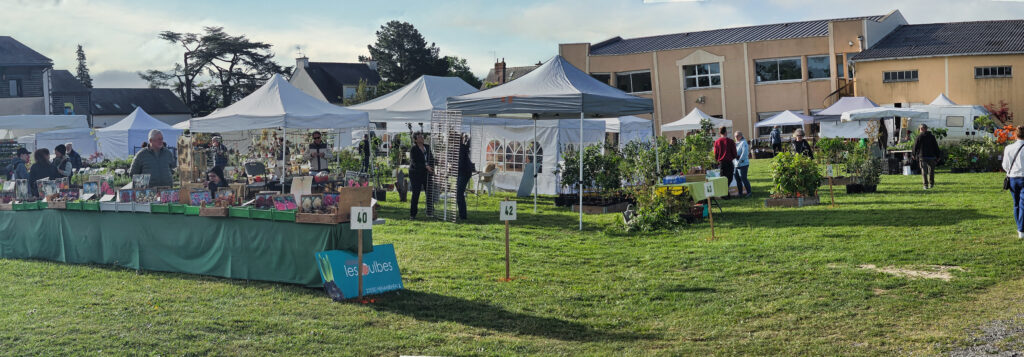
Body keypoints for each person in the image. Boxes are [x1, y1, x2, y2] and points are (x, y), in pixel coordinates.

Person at [1002, 126, 1024, 238]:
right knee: (1023, 204)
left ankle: (1020, 229)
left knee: (1016, 204)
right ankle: (1021, 229)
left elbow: (1005, 165)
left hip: (1013, 178)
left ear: (1015, 135)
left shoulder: (1008, 148)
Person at [409, 132, 434, 219]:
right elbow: (414, 163)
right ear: (415, 139)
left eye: (422, 137)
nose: (422, 138)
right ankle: (413, 214)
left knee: (429, 193)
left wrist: (434, 164)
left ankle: (430, 212)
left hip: (426, 173)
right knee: (416, 194)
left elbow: (431, 158)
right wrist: (425, 166)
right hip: (416, 174)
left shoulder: (427, 147)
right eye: (419, 137)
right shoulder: (413, 149)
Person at [913, 123, 941, 190]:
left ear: (922, 129)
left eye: (919, 129)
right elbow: (936, 147)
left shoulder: (919, 136)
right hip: (932, 156)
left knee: (924, 172)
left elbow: (915, 146)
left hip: (923, 156)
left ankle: (925, 185)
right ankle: (931, 184)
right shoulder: (932, 136)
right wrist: (938, 155)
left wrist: (913, 154)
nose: (919, 130)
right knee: (931, 171)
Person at [457, 133, 476, 221]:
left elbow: (460, 163)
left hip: (464, 172)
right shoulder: (460, 148)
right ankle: (462, 214)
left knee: (459, 193)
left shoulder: (460, 148)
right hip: (463, 172)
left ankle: (463, 215)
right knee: (459, 193)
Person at [712, 126, 737, 195]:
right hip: (729, 162)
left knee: (723, 178)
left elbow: (715, 153)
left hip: (721, 162)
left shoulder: (717, 142)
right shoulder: (731, 141)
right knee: (730, 178)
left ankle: (725, 193)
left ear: (720, 133)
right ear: (726, 132)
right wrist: (733, 156)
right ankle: (725, 193)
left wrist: (717, 159)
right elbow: (734, 153)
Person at [733, 131, 752, 198]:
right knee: (737, 179)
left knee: (743, 178)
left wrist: (739, 161)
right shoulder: (736, 143)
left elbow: (744, 154)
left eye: (737, 136)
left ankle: (749, 192)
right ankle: (740, 193)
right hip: (736, 164)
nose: (735, 137)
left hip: (743, 164)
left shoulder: (744, 143)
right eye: (735, 136)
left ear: (741, 136)